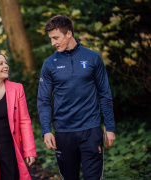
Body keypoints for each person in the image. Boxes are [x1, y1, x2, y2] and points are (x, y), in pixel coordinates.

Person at [37, 15, 116, 179]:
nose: (53, 43)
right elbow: (44, 100)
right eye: (51, 39)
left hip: (91, 130)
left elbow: (105, 94)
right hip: (63, 132)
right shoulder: (49, 64)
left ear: (69, 34)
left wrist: (109, 126)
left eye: (55, 38)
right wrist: (46, 130)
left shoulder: (93, 58)